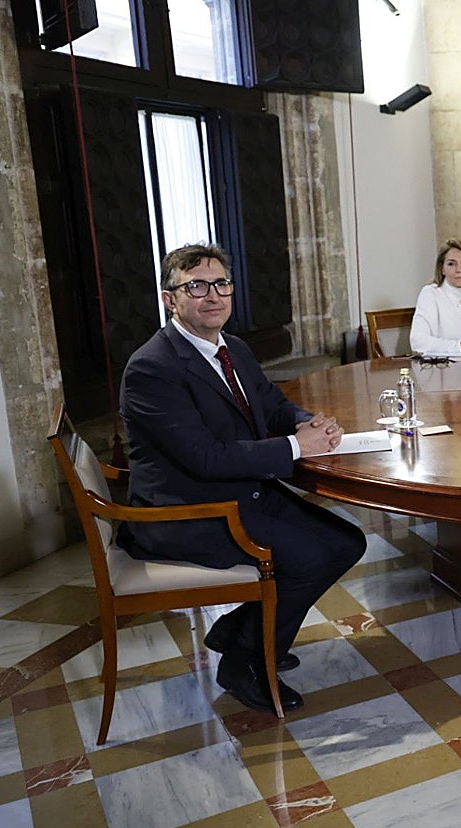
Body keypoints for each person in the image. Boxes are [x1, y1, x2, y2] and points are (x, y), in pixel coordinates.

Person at [118, 245, 366, 714]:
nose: (212, 295)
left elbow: (271, 404)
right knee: (311, 557)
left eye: (221, 284)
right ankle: (244, 662)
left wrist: (307, 423)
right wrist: (296, 448)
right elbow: (204, 458)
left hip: (238, 492)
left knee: (348, 541)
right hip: (187, 510)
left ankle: (242, 630)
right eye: (196, 286)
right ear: (170, 299)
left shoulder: (234, 348)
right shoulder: (152, 368)